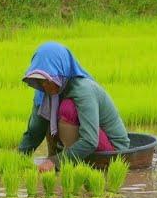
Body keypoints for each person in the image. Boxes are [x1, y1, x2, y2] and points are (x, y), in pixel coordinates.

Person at [17, 41, 130, 171]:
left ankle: (69, 164)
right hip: (83, 146)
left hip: (112, 151)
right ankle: (64, 161)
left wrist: (54, 162)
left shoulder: (83, 90)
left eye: (48, 80)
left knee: (67, 108)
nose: (45, 86)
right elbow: (35, 131)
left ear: (61, 72)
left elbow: (90, 140)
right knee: (45, 113)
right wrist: (17, 161)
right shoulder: (44, 94)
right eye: (41, 81)